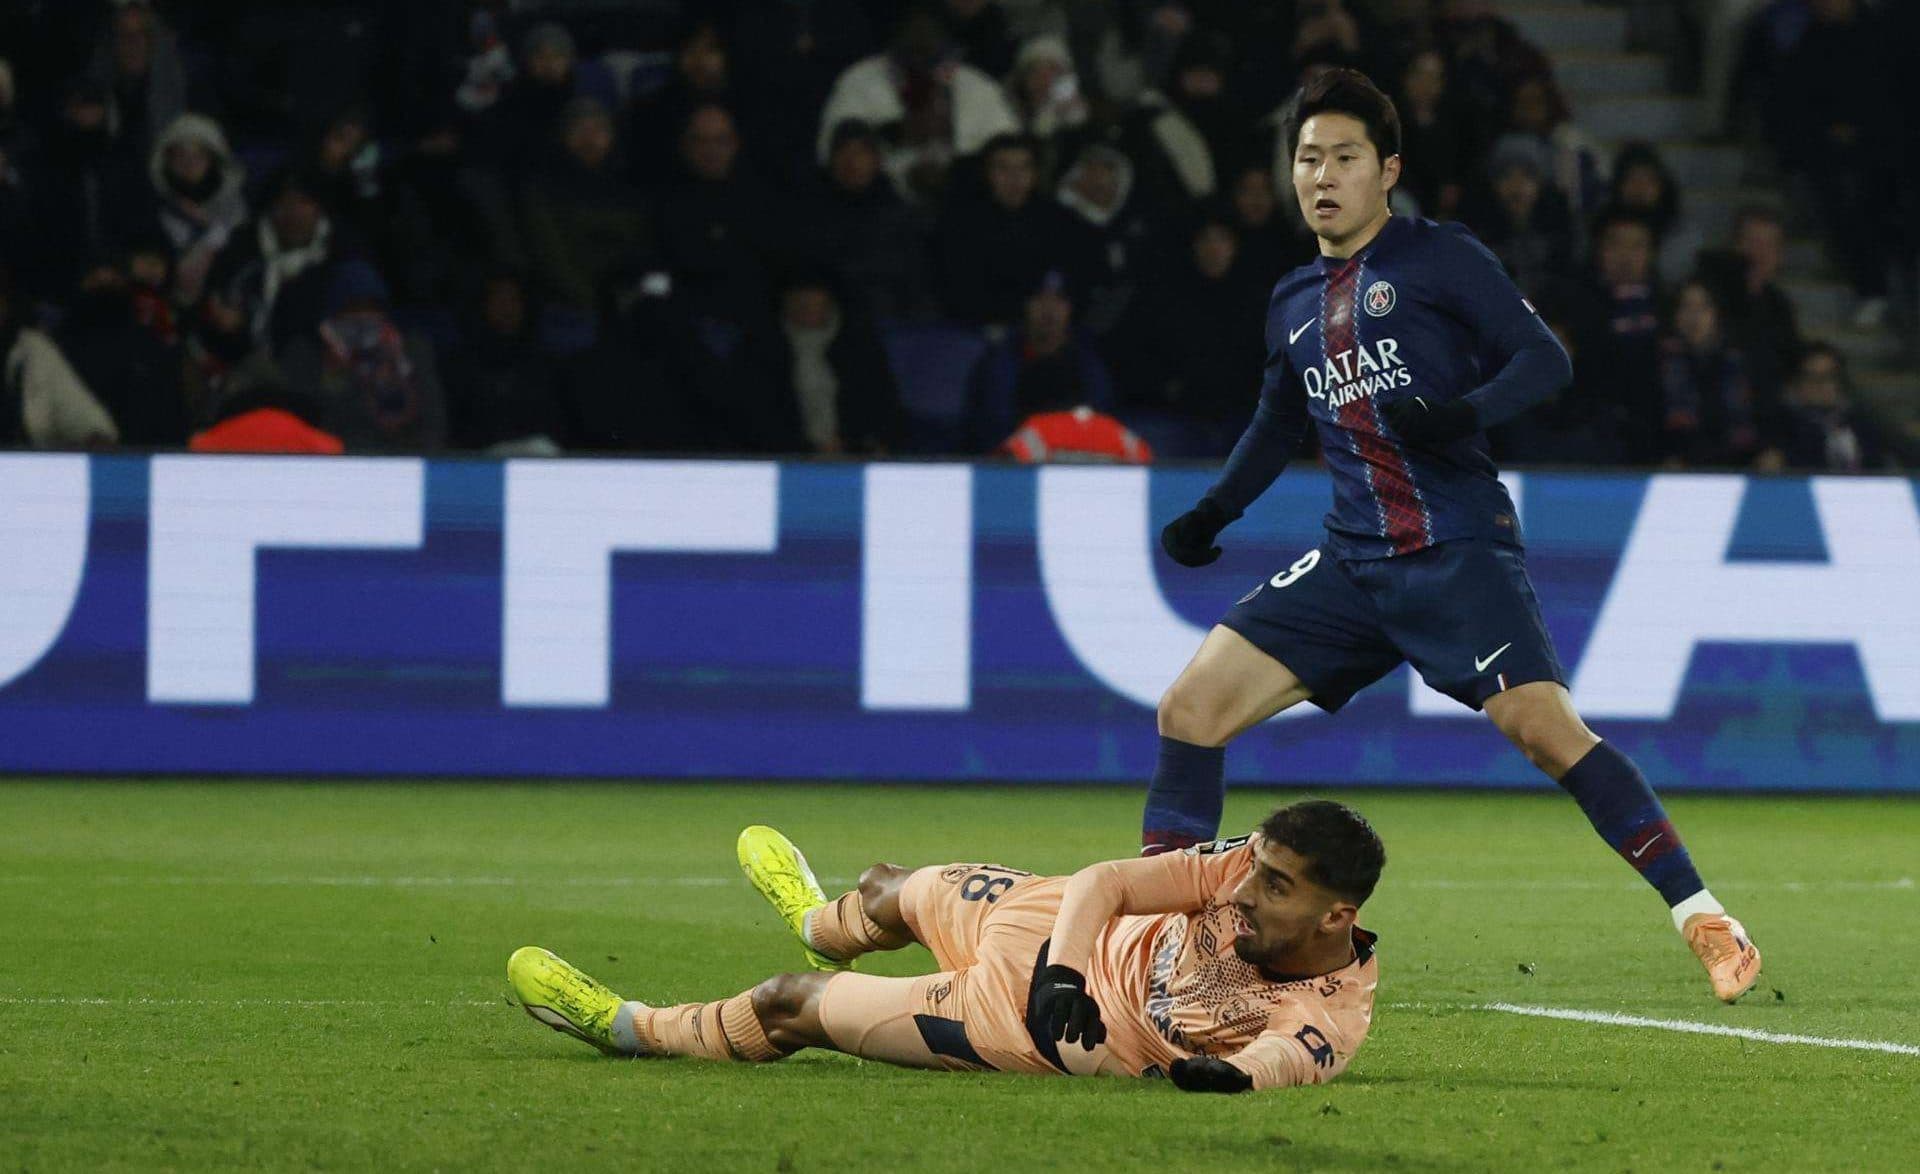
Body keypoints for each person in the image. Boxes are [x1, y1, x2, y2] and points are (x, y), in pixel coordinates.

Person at [1150, 69, 1761, 1002]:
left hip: (1456, 552)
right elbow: (1280, 421)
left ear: (1386, 170)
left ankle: (1707, 919)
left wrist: (1456, 414)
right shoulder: (1289, 300)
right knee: (1189, 710)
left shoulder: (1440, 257)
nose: (1323, 175)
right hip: (1353, 563)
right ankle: (1172, 953)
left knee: (1547, 733)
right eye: (1308, 158)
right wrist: (1212, 513)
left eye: (1345, 158)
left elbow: (1544, 360)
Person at [509, 799, 1384, 1092]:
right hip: (1054, 933)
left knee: (789, 1005)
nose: (1241, 889)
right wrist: (1069, 967)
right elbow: (1107, 882)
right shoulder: (1243, 867)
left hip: (1023, 1024)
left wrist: (1222, 1077)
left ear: (1335, 916)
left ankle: (627, 1026)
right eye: (1253, 866)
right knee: (890, 885)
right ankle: (823, 925)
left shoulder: (1326, 1014)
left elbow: (1281, 1060)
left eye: (1274, 885)